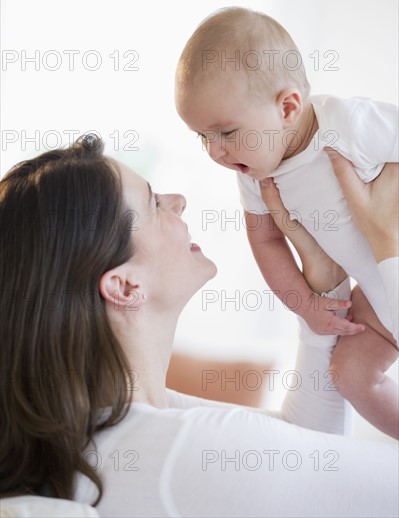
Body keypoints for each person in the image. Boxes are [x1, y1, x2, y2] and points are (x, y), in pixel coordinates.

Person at [0, 135, 397, 517]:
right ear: (124, 286)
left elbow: (309, 448)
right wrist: (388, 243)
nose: (179, 201)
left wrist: (322, 288)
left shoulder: (112, 429)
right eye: (154, 204)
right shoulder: (177, 452)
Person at [174, 6, 399, 438]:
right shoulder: (256, 172)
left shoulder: (350, 126)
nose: (215, 152)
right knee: (349, 374)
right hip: (376, 295)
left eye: (225, 132)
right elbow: (267, 243)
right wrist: (306, 304)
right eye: (203, 137)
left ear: (288, 107)